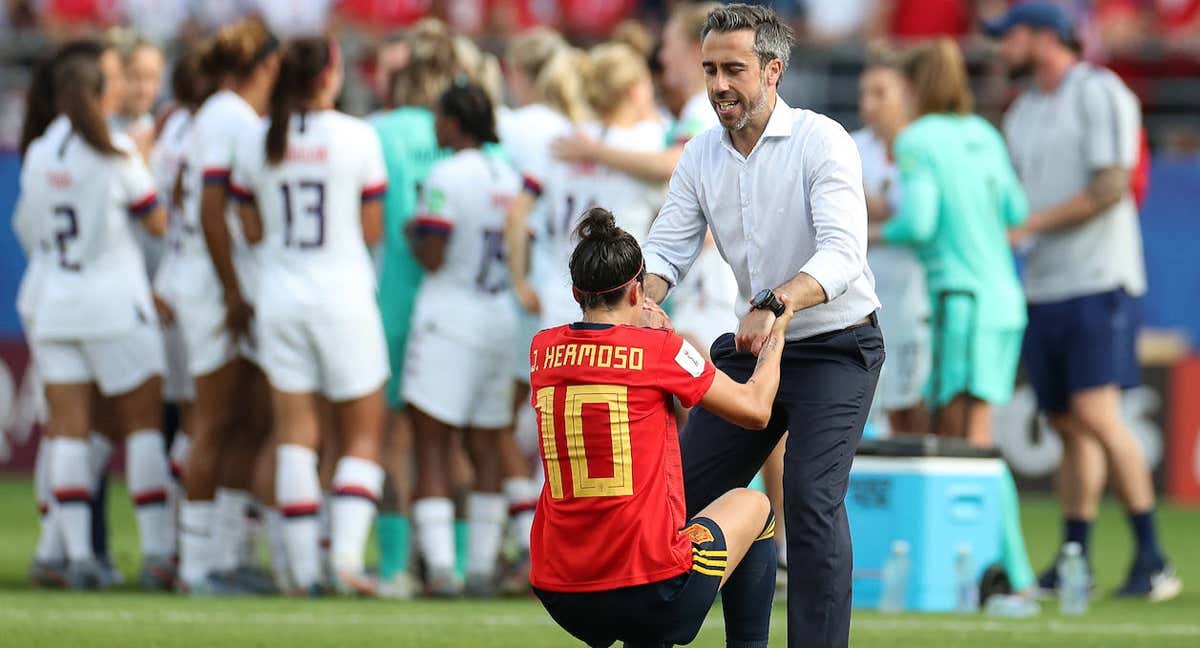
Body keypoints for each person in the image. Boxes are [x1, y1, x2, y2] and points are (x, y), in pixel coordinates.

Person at [639, 6, 883, 646]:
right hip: (757, 346)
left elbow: (842, 254)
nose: (719, 85)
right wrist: (635, 305)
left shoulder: (822, 139)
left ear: (773, 71)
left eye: (734, 70)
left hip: (837, 345)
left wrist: (775, 302)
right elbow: (666, 251)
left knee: (809, 496)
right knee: (683, 499)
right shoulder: (700, 153)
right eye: (711, 69)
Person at [988, 1, 1182, 600]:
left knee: (1097, 415)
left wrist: (1029, 226)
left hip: (1100, 277)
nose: (1001, 48)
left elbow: (1111, 185)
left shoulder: (1101, 91)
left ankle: (1153, 558)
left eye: (1010, 37)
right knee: (1067, 422)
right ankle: (1076, 555)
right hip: (1046, 283)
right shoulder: (1025, 111)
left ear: (1045, 37)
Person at [531, 207, 782, 648]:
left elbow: (602, 357)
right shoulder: (659, 349)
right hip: (645, 587)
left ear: (576, 292)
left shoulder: (542, 351)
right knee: (754, 506)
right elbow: (756, 409)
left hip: (561, 590)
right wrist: (779, 330)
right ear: (637, 292)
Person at [231, 37, 390, 596]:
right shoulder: (357, 135)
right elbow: (373, 231)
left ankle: (298, 572)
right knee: (363, 436)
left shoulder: (255, 139)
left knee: (296, 434)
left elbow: (247, 227)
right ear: (330, 75)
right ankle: (345, 561)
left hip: (278, 295)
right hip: (343, 295)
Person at [881, 38, 1037, 596]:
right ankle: (993, 568)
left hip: (962, 302)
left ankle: (1008, 574)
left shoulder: (918, 139)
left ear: (914, 87)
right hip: (1001, 298)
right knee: (973, 436)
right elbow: (1016, 210)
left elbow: (919, 223)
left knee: (967, 441)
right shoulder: (985, 134)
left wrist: (871, 229)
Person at [15, 42, 173, 590]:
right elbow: (156, 223)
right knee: (144, 428)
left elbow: (29, 229)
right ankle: (157, 555)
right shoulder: (118, 152)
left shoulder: (37, 152)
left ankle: (75, 557)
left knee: (68, 436)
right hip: (113, 305)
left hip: (56, 304)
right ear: (102, 93)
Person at [171, 17, 279, 595]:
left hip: (219, 278)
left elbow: (184, 195)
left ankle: (224, 555)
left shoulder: (218, 114)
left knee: (246, 420)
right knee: (213, 422)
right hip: (216, 285)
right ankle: (195, 566)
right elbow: (212, 208)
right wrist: (233, 290)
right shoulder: (230, 116)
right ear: (265, 64)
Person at [405, 82, 522, 596]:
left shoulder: (446, 174)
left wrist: (412, 227)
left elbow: (432, 253)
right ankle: (479, 569)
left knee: (431, 446)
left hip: (449, 318)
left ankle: (442, 570)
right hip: (498, 317)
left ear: (453, 123)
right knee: (486, 447)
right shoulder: (509, 176)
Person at [369, 17, 459, 599]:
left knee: (394, 437)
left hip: (395, 298)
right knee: (459, 437)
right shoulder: (464, 135)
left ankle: (395, 565)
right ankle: (457, 561)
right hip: (459, 303)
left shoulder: (376, 130)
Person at [552, 1, 721, 182]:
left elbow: (675, 164)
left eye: (668, 45)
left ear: (697, 50)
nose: (663, 57)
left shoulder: (704, 106)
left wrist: (594, 151)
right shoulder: (700, 105)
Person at [853, 47, 931, 436]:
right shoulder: (851, 147)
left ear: (908, 94)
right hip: (867, 294)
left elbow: (922, 221)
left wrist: (871, 211)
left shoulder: (925, 146)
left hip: (917, 293)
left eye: (880, 93)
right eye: (864, 94)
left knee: (912, 398)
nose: (868, 104)